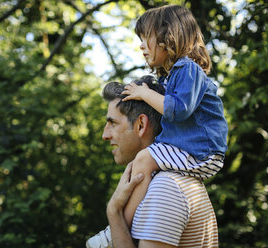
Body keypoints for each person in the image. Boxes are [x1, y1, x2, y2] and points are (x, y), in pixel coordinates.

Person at [87, 4, 227, 247]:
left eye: (145, 38)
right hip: (194, 151)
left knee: (142, 160)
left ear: (168, 37)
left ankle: (116, 230)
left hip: (200, 151)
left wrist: (143, 93)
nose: (141, 45)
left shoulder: (167, 189)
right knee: (142, 162)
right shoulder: (173, 75)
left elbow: (178, 109)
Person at [86, 79, 219, 247]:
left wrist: (113, 212)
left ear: (141, 125)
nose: (105, 135)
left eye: (113, 123)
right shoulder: (170, 181)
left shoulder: (166, 188)